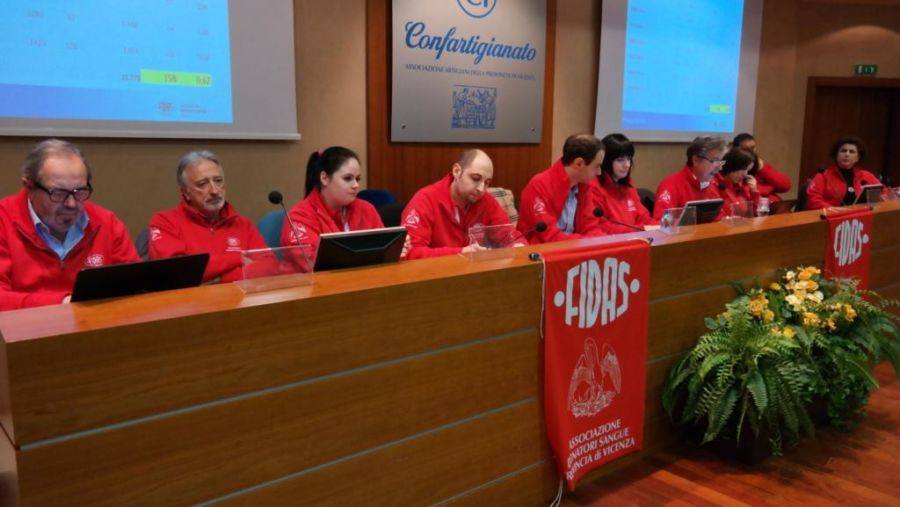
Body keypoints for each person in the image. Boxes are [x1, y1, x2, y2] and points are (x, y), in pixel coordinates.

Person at [0, 139, 139, 310]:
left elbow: (135, 287)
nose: (71, 204)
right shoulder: (4, 221)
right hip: (23, 326)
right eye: (58, 193)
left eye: (80, 191)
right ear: (29, 186)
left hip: (94, 324)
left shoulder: (106, 224)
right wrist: (64, 304)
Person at [148, 150, 268, 284]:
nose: (215, 191)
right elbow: (178, 272)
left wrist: (221, 279)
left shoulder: (243, 225)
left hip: (242, 296)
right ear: (185, 192)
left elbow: (269, 267)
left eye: (218, 181)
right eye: (203, 184)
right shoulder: (165, 222)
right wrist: (237, 259)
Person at [402, 149, 525, 259]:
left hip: (476, 273)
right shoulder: (425, 199)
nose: (481, 189)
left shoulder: (486, 201)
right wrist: (460, 253)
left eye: (487, 182)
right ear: (456, 171)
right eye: (475, 178)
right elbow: (410, 252)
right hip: (435, 274)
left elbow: (509, 236)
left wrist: (518, 246)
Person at [281, 146, 385, 266]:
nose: (356, 185)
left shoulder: (366, 209)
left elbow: (383, 250)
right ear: (324, 178)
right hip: (313, 278)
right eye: (348, 178)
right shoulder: (299, 216)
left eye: (357, 179)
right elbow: (314, 264)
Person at [517, 133, 607, 243]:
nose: (599, 172)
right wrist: (585, 242)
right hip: (541, 250)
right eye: (597, 166)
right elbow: (550, 237)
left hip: (574, 247)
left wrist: (606, 241)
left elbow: (591, 228)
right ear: (579, 163)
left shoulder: (585, 185)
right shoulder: (539, 185)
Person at [591, 133, 657, 233]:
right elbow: (601, 226)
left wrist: (661, 226)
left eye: (629, 159)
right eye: (620, 160)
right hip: (612, 240)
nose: (627, 165)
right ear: (606, 161)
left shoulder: (628, 185)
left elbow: (643, 217)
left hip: (635, 237)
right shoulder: (593, 186)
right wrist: (639, 230)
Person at [653, 136, 727, 221]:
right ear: (696, 160)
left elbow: (720, 218)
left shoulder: (712, 185)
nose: (719, 167)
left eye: (721, 162)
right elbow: (663, 221)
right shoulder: (671, 185)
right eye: (715, 161)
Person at [805, 137, 885, 210]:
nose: (847, 154)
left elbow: (883, 192)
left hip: (861, 216)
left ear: (857, 158)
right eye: (843, 151)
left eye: (852, 152)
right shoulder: (823, 176)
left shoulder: (866, 176)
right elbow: (813, 201)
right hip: (832, 216)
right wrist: (832, 209)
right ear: (836, 155)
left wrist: (886, 196)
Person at [732, 133, 791, 203]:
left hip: (773, 204)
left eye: (753, 148)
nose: (751, 152)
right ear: (735, 150)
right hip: (754, 204)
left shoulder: (761, 165)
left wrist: (762, 168)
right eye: (746, 149)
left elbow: (785, 186)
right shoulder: (733, 169)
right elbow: (742, 191)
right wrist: (768, 188)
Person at [715, 148, 760, 216]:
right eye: (743, 169)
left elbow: (755, 214)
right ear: (733, 165)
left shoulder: (742, 185)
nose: (745, 174)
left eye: (748, 170)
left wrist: (754, 191)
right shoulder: (714, 183)